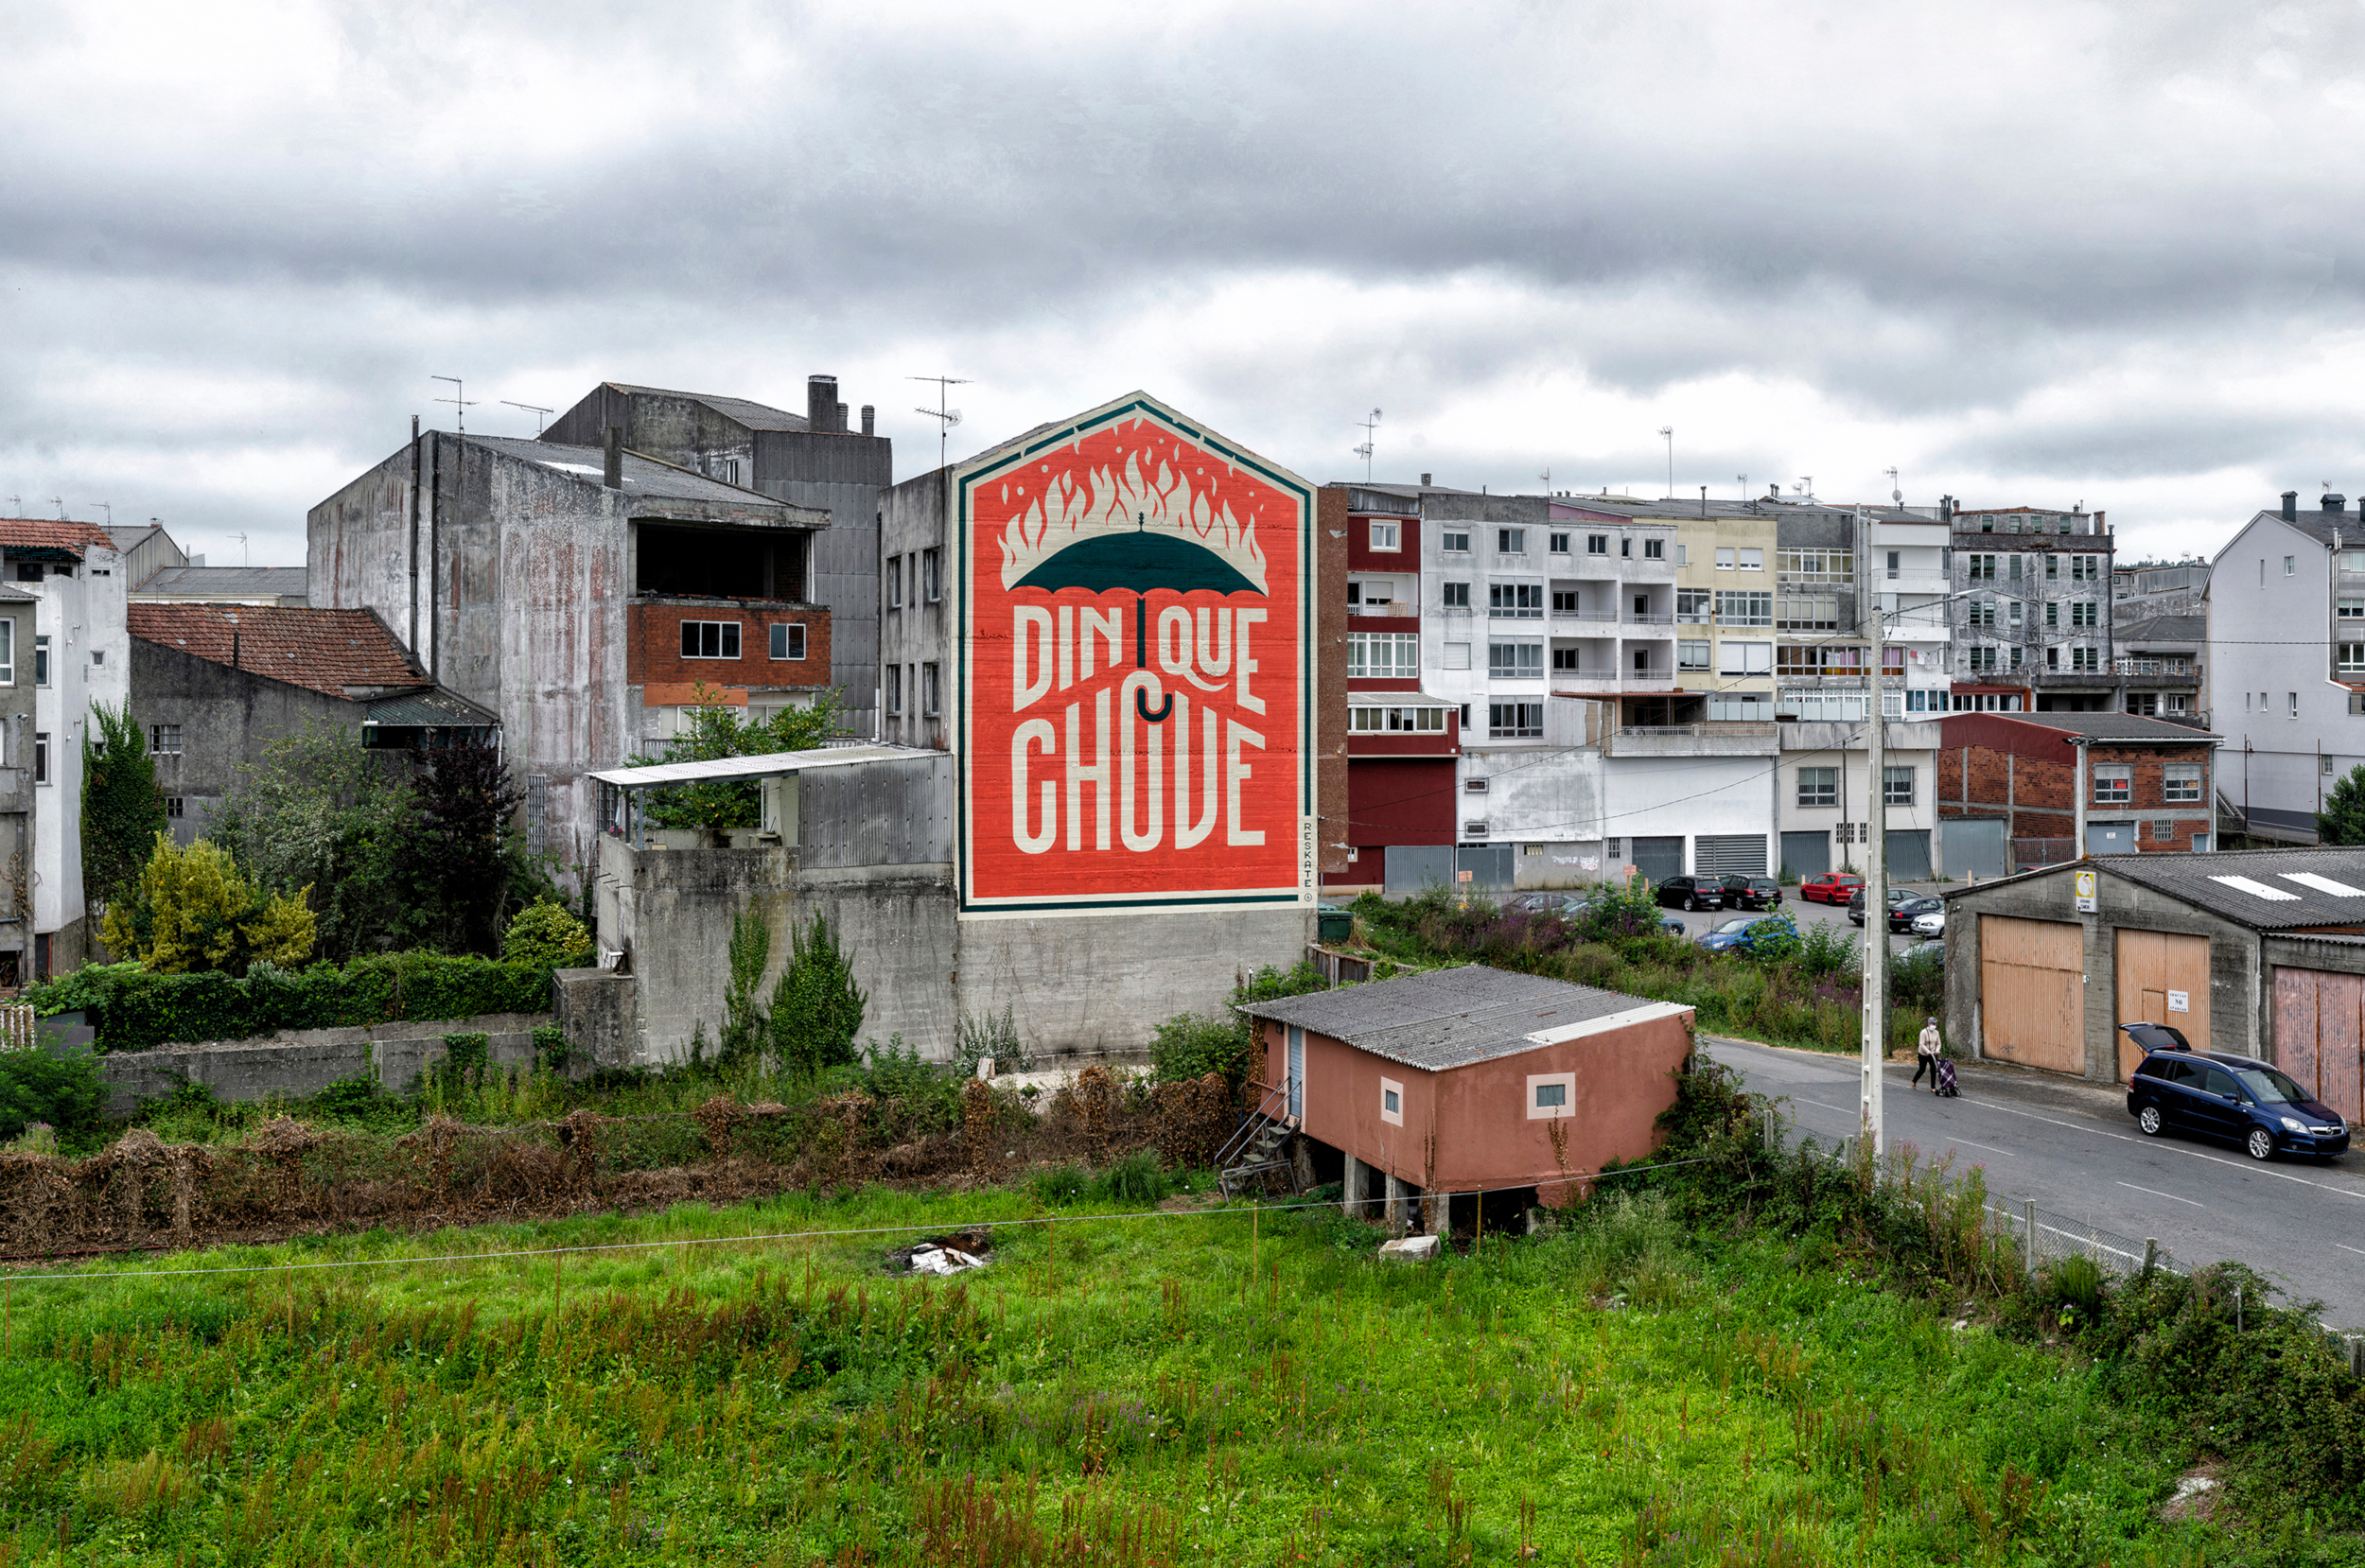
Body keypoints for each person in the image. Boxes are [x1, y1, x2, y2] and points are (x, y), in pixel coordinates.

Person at [1913, 1017, 1943, 1091]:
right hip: (1923, 1054)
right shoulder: (1923, 1032)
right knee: (1922, 1069)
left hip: (1933, 1054)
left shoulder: (1936, 1032)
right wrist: (1928, 1051)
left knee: (1933, 1070)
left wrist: (1937, 1050)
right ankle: (1914, 1081)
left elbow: (1939, 1043)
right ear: (1929, 1024)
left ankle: (1933, 1087)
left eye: (1935, 1024)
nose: (1934, 1026)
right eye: (1933, 1024)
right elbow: (1921, 1044)